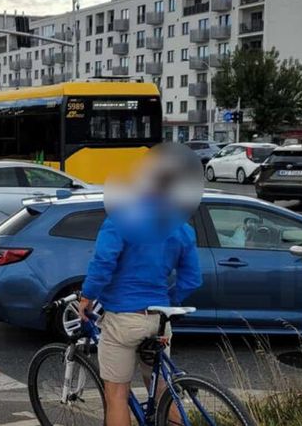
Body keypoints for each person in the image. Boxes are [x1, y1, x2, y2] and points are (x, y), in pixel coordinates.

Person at [78, 171, 203, 426]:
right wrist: (167, 299)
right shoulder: (182, 228)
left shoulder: (120, 220)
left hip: (123, 318)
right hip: (159, 318)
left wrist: (87, 297)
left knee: (116, 395)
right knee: (163, 391)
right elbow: (192, 280)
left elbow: (103, 263)